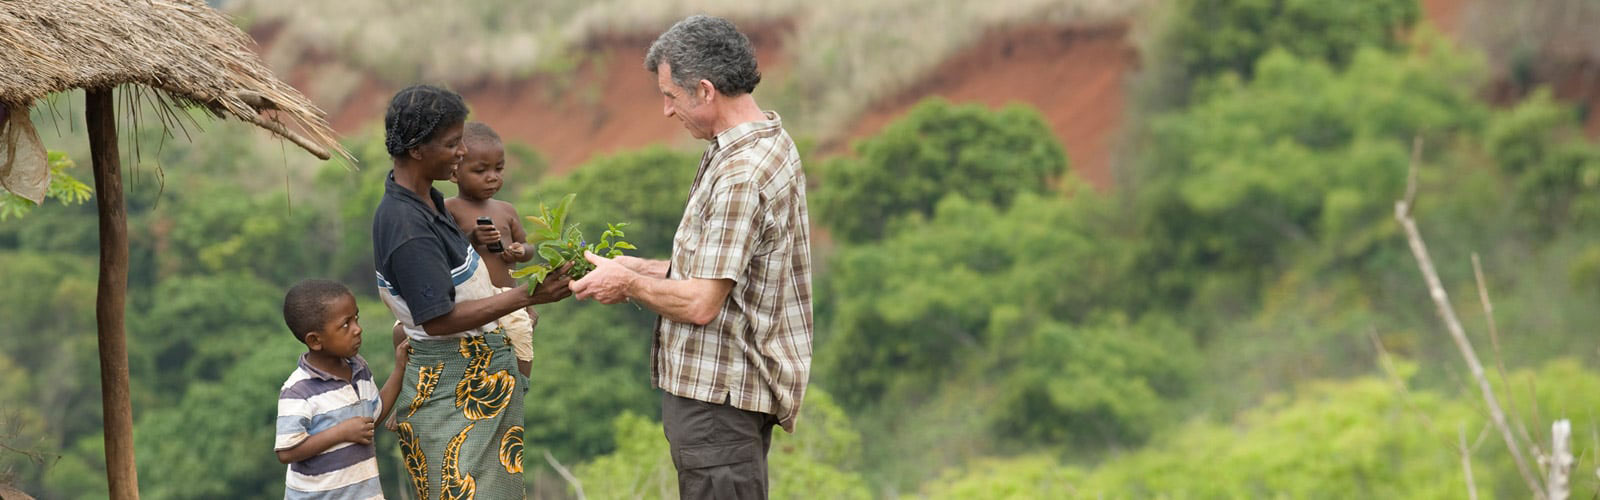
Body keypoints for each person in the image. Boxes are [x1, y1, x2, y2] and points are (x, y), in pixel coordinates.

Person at [570, 15, 813, 499]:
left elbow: (702, 302)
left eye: (670, 96)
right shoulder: (765, 141)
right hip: (728, 398)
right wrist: (631, 267)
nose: (665, 111)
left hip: (718, 403)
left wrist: (629, 285)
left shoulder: (741, 173)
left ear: (704, 91)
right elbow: (726, 273)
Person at [372, 84, 571, 499]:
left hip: (475, 389)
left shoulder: (431, 202)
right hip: (451, 396)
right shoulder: (407, 226)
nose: (462, 152)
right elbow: (439, 319)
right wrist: (528, 296)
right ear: (416, 149)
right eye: (451, 143)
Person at [274, 279, 407, 499]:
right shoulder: (298, 390)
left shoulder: (358, 368)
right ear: (315, 340)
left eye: (356, 318)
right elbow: (286, 451)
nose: (357, 329)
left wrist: (400, 369)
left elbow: (372, 415)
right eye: (346, 324)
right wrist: (341, 433)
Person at [442, 121, 538, 376]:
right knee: (474, 357)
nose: (492, 177)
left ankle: (520, 386)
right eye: (481, 170)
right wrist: (473, 238)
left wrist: (519, 250)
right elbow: (446, 251)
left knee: (521, 337)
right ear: (454, 174)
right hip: (472, 299)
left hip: (508, 295)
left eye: (499, 168)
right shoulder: (449, 208)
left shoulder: (506, 210)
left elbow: (529, 248)